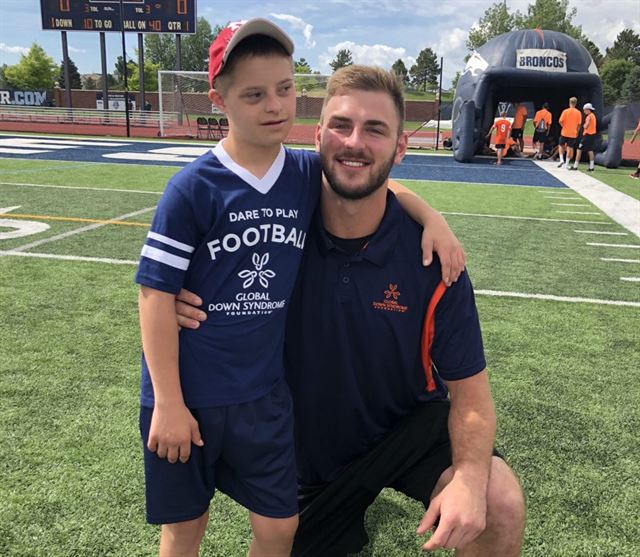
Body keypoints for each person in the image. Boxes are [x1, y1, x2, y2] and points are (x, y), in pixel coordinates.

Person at [136, 20, 464, 557]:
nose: (274, 105)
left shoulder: (302, 172)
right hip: (189, 398)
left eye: (285, 89)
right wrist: (169, 401)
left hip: (264, 399)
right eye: (255, 94)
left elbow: (374, 178)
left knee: (279, 527)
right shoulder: (192, 188)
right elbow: (153, 293)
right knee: (185, 528)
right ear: (219, 100)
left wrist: (431, 215)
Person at [176, 66, 526, 557]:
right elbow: (192, 258)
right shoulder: (276, 226)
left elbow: (471, 396)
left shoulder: (433, 259)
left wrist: (469, 477)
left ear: (400, 147)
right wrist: (180, 296)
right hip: (309, 454)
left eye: (375, 129)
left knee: (499, 500)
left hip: (407, 426)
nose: (354, 142)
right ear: (318, 136)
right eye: (341, 125)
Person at [557, 97, 582, 169]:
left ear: (569, 103)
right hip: (573, 132)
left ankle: (561, 159)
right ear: (576, 103)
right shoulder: (578, 113)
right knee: (570, 148)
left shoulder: (565, 111)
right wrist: (577, 131)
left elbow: (560, 121)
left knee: (561, 145)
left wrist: (564, 126)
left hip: (565, 132)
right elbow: (579, 124)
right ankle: (567, 163)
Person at [571, 103, 597, 172]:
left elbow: (586, 126)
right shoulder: (593, 116)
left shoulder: (588, 117)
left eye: (585, 110)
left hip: (587, 135)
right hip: (592, 135)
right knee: (590, 150)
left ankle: (575, 166)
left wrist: (584, 126)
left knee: (579, 149)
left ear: (588, 109)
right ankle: (591, 166)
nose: (584, 111)